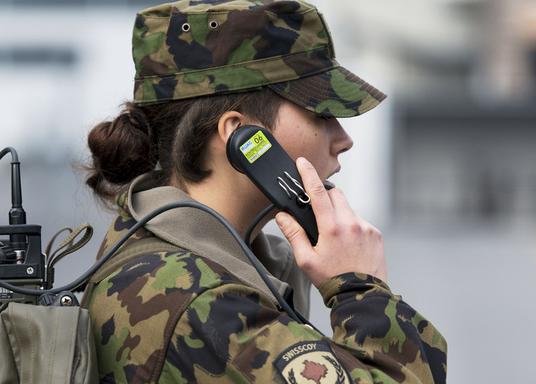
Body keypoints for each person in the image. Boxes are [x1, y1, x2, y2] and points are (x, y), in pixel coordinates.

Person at [82, 1, 447, 383]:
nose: (343, 139)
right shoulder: (201, 302)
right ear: (242, 136)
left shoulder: (185, 264)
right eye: (320, 114)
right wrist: (361, 289)